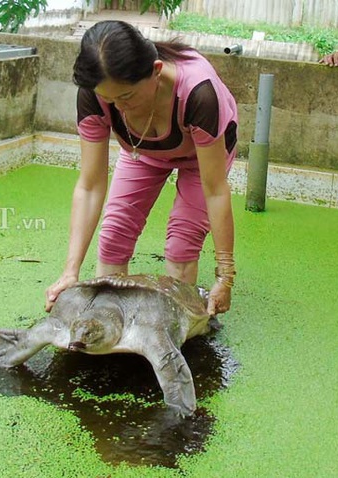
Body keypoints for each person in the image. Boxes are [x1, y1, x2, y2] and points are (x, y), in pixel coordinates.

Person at [45, 21, 237, 316]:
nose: (119, 108)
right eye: (110, 99)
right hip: (142, 151)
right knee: (113, 235)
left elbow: (215, 191)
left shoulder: (199, 94)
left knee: (181, 244)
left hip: (202, 158)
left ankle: (174, 322)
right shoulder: (95, 94)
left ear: (156, 71)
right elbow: (90, 186)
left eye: (127, 97)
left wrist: (225, 276)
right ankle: (112, 321)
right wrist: (71, 271)